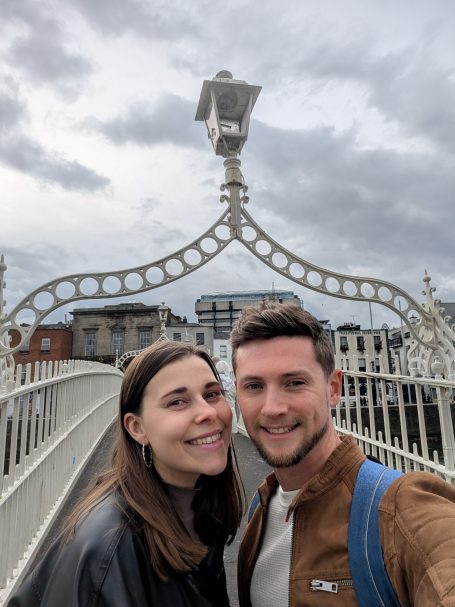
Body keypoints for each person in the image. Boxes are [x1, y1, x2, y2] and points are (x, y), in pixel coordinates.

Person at [231, 302, 455, 607]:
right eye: (254, 385)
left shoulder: (401, 508)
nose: (273, 408)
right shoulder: (261, 507)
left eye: (294, 383)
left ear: (333, 388)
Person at [9, 341, 245, 607]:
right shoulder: (109, 554)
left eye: (212, 394)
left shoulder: (201, 504)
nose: (208, 412)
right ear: (137, 428)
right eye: (177, 401)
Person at [216, 360, 238, 433]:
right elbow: (235, 397)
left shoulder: (215, 383)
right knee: (231, 435)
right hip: (231, 410)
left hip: (218, 412)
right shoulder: (232, 383)